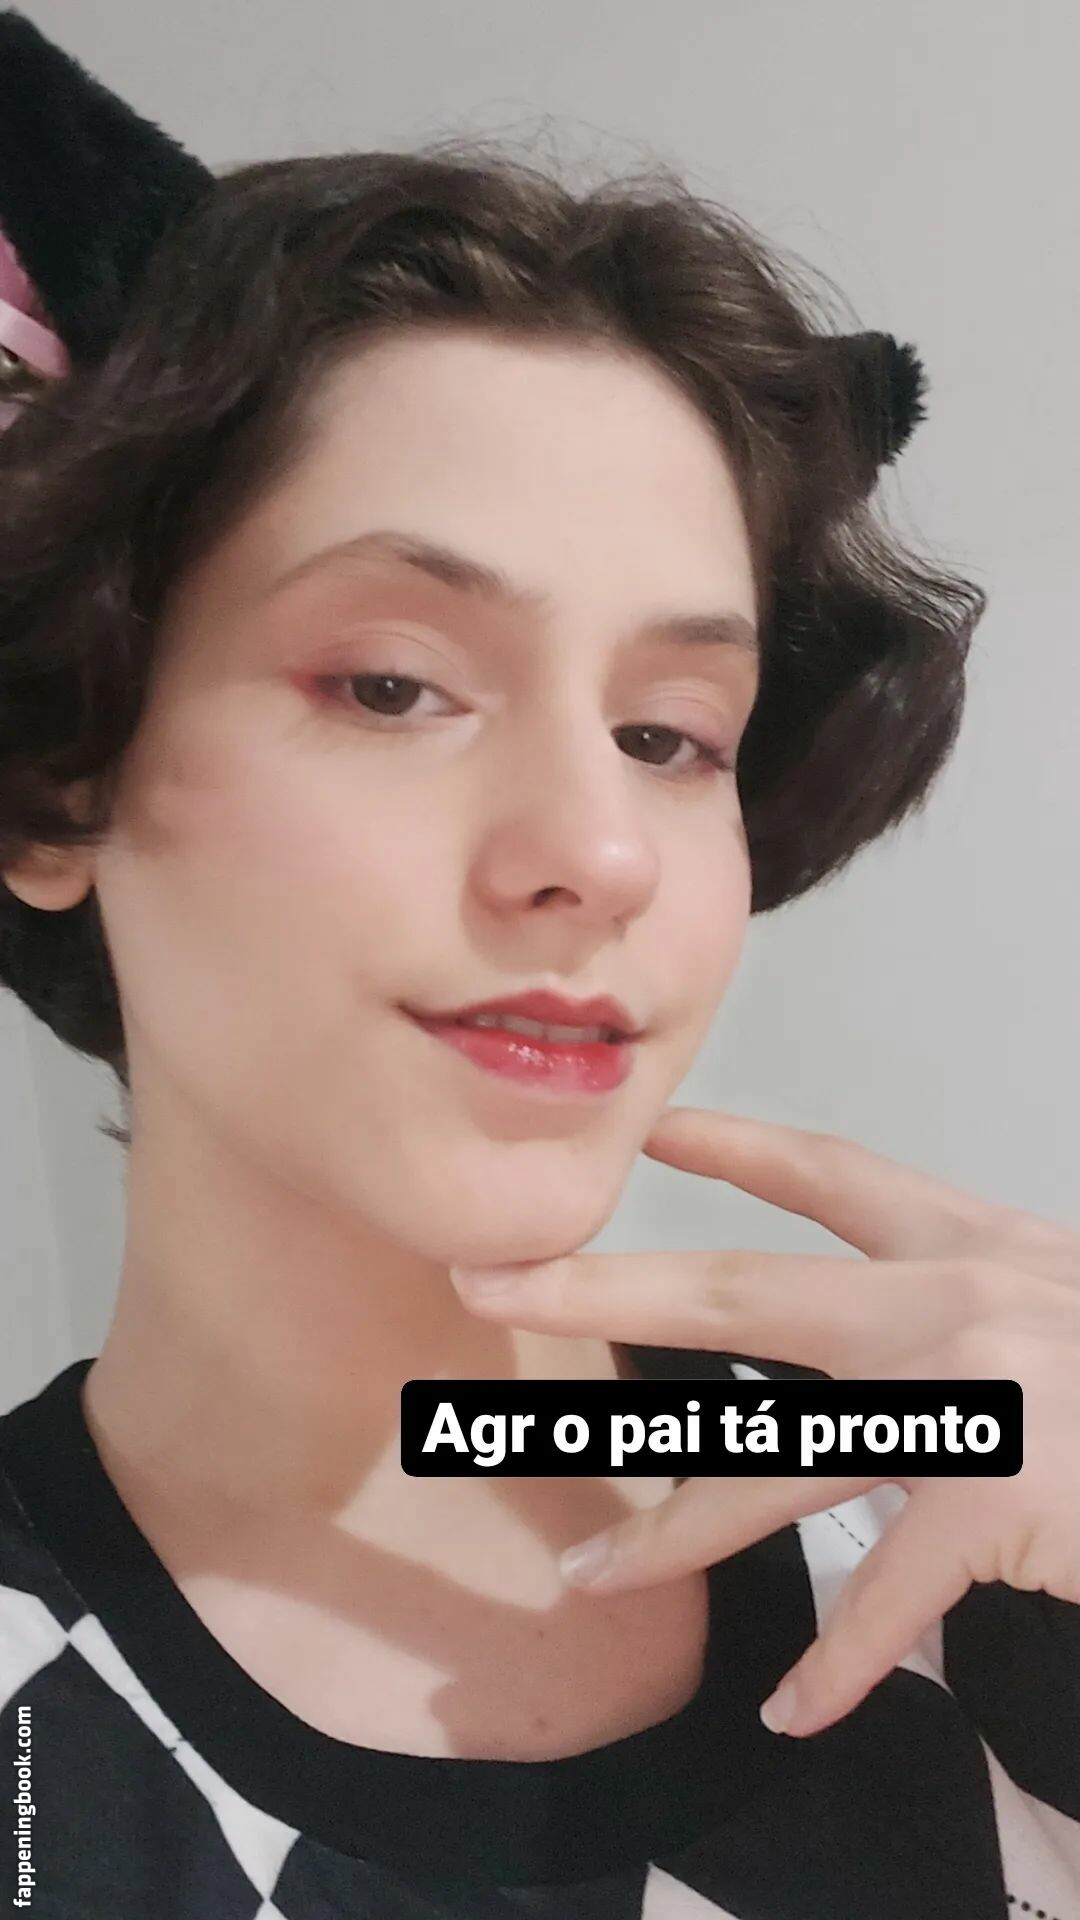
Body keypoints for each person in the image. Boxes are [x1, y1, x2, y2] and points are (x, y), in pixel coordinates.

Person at [0, 12, 1077, 1918]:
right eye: (393, 687)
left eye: (670, 735)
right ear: (58, 783)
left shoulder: (975, 1518)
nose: (598, 852)